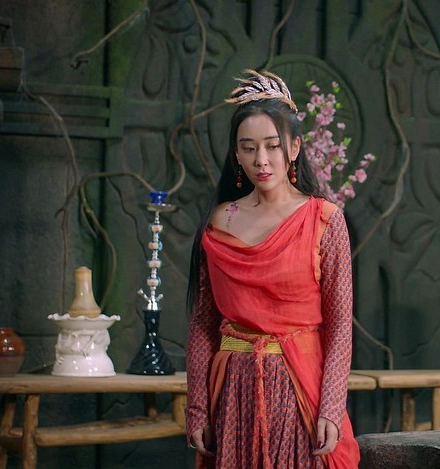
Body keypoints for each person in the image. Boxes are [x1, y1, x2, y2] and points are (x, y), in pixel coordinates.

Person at [185, 69, 360, 469]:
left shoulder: (325, 221)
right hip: (233, 393)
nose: (261, 160)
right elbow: (203, 323)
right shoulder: (219, 222)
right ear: (236, 154)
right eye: (248, 148)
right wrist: (197, 407)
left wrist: (332, 407)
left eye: (272, 146)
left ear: (294, 147)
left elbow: (339, 326)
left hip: (301, 390)